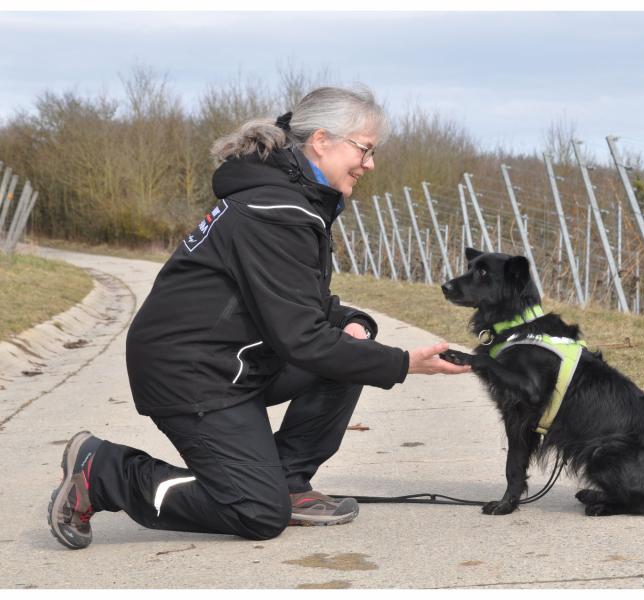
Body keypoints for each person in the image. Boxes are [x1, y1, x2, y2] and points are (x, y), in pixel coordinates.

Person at [47, 86, 471, 550]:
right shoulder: (273, 211)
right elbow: (302, 338)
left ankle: (288, 482)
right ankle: (105, 471)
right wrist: (402, 363)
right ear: (323, 140)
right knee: (254, 511)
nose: (370, 164)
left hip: (229, 362)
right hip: (190, 374)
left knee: (352, 353)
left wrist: (356, 324)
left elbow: (304, 303)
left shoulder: (289, 202)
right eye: (365, 149)